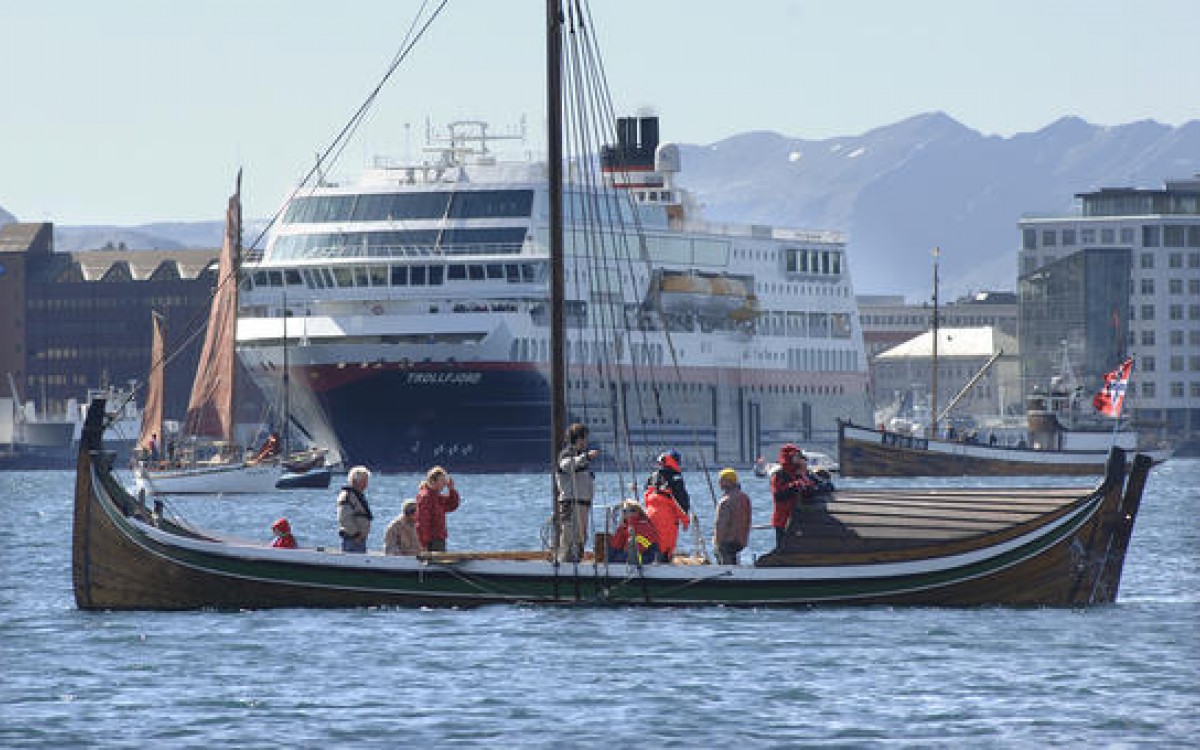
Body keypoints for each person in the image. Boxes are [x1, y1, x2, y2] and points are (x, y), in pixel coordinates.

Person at [554, 422, 599, 563]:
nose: (586, 442)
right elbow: (565, 465)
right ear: (578, 439)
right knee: (569, 537)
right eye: (585, 438)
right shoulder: (568, 454)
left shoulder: (579, 456)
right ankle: (564, 564)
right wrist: (586, 457)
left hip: (583, 504)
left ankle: (576, 562)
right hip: (571, 503)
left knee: (581, 537)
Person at [770, 444, 818, 551]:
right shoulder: (779, 475)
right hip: (783, 520)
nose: (798, 460)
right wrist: (795, 485)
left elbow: (811, 491)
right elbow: (778, 495)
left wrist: (803, 476)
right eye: (796, 457)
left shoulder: (801, 473)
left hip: (800, 519)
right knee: (783, 549)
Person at [415, 466, 461, 552]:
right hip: (431, 541)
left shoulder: (437, 497)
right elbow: (422, 522)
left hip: (439, 539)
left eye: (445, 481)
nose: (444, 484)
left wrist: (451, 489)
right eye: (442, 481)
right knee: (436, 564)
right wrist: (424, 543)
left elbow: (452, 505)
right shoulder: (426, 497)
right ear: (433, 481)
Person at [713, 468, 752, 565]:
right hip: (741, 541)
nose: (719, 483)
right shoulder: (745, 498)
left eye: (721, 480)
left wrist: (717, 544)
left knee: (727, 565)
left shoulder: (725, 501)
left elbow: (721, 525)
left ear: (728, 481)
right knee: (733, 562)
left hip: (727, 541)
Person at [608, 499, 662, 565]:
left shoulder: (644, 526)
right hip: (630, 555)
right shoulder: (624, 527)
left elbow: (642, 546)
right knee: (611, 556)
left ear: (638, 512)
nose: (627, 513)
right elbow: (615, 545)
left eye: (632, 510)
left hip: (647, 556)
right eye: (624, 511)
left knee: (623, 557)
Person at [336, 465, 373, 553]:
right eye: (364, 481)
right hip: (352, 540)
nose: (366, 484)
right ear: (357, 481)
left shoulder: (357, 495)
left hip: (359, 540)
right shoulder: (347, 496)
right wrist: (356, 534)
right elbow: (344, 518)